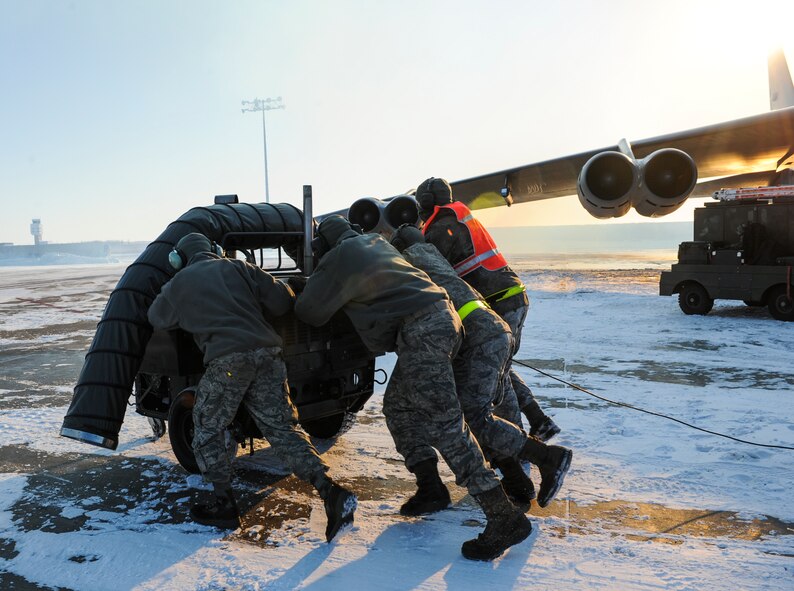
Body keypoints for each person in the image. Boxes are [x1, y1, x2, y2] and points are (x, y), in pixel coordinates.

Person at [293, 215, 530, 561]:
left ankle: (503, 515)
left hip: (422, 333)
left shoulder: (339, 257)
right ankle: (430, 485)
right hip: (443, 320)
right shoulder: (377, 243)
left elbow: (309, 311)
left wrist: (302, 284)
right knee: (399, 407)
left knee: (447, 426)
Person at [147, 232, 356, 542]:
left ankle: (224, 504)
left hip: (228, 361)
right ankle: (330, 491)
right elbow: (283, 300)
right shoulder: (239, 267)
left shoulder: (179, 283)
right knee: (284, 429)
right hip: (269, 355)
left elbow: (157, 317)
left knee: (206, 426)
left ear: (180, 259)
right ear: (215, 251)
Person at [389, 224, 572, 513]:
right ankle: (516, 480)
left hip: (477, 337)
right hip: (492, 329)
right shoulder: (434, 257)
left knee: (472, 417)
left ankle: (547, 457)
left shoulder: (409, 264)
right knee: (474, 411)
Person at [415, 177, 561, 442]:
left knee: (496, 376)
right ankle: (540, 421)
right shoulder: (459, 215)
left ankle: (518, 444)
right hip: (510, 297)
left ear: (426, 202)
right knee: (497, 366)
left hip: (501, 301)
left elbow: (428, 267)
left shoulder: (440, 228)